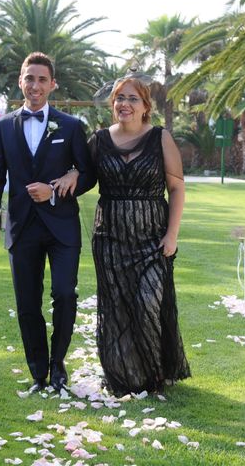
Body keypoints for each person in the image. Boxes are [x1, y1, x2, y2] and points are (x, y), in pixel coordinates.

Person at [0, 52, 96, 393]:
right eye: (29, 78)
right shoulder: (3, 127)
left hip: (62, 226)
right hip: (21, 227)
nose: (35, 85)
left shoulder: (71, 126)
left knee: (64, 294)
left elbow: (88, 174)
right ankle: (38, 375)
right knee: (27, 304)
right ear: (21, 81)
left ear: (52, 84)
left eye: (42, 79)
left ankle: (58, 366)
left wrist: (57, 190)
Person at [74, 76, 190, 396]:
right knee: (117, 309)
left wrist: (172, 235)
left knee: (148, 303)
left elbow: (177, 187)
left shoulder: (160, 138)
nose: (124, 104)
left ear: (145, 107)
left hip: (153, 238)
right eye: (119, 98)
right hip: (110, 239)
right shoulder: (98, 141)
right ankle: (125, 375)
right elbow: (82, 175)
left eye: (132, 99)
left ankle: (153, 374)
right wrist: (72, 173)